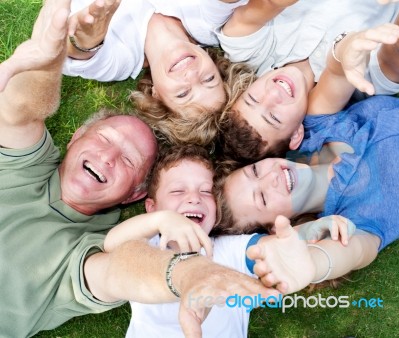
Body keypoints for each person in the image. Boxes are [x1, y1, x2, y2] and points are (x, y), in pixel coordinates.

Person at [0, 1, 279, 337]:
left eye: (128, 160)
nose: (107, 157)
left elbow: (117, 271)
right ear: (74, 139)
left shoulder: (94, 246)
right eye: (103, 138)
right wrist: (45, 61)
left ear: (136, 193)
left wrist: (184, 275)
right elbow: (21, 112)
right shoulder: (27, 165)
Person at [103, 144, 354, 338]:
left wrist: (310, 230)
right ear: (152, 207)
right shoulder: (145, 247)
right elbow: (112, 246)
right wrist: (161, 221)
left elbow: (271, 249)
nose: (194, 198)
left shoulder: (227, 249)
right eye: (178, 191)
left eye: (205, 191)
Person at [213, 94, 399, 291]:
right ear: (275, 229)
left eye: (255, 171)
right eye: (262, 198)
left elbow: (337, 78)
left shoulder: (313, 129)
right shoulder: (354, 218)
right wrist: (313, 263)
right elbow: (355, 252)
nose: (271, 178)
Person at [216, 0, 399, 162]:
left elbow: (256, 12)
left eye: (252, 99)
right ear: (296, 134)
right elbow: (394, 53)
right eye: (274, 117)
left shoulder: (248, 51)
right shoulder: (363, 81)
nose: (273, 94)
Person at [63, 0, 248, 147]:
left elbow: (76, 54)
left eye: (183, 94)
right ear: (215, 66)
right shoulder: (208, 26)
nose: (191, 76)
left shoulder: (122, 61)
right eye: (209, 79)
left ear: (156, 95)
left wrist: (86, 39)